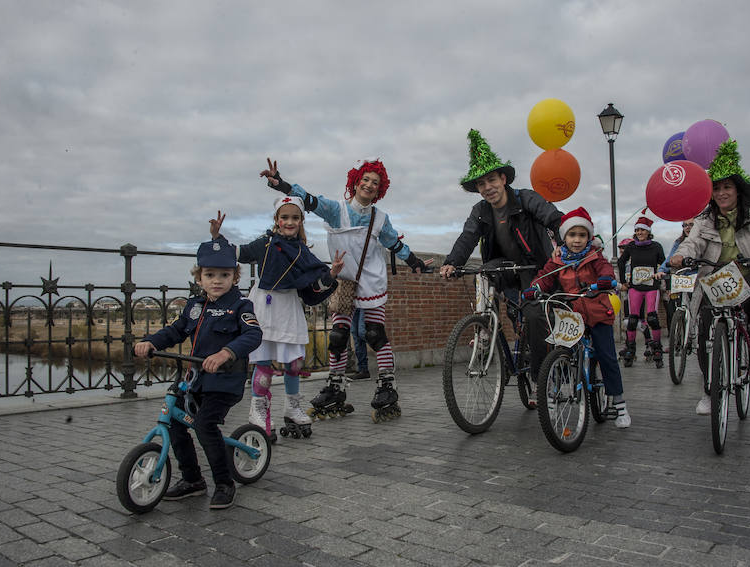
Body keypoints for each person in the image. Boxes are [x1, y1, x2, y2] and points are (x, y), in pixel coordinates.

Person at [262, 156, 432, 418]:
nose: (369, 185)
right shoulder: (336, 209)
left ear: (380, 189)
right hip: (344, 277)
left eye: (375, 182)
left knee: (375, 333)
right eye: (365, 179)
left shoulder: (380, 218)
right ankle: (335, 387)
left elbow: (393, 243)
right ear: (356, 182)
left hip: (371, 278)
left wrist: (415, 262)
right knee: (338, 336)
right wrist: (281, 184)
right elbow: (308, 200)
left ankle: (387, 386)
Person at [133, 237, 262, 510]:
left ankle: (224, 482)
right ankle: (192, 480)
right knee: (176, 422)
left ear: (234, 277)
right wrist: (152, 342)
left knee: (204, 425)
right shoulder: (194, 306)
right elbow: (176, 331)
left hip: (225, 381)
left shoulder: (240, 306)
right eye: (210, 275)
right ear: (199, 278)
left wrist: (225, 353)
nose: (217, 281)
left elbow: (253, 334)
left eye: (224, 275)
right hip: (196, 380)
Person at [439, 129, 562, 406]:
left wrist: (567, 239)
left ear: (503, 179)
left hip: (535, 268)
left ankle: (541, 380)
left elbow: (552, 216)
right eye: (481, 184)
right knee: (482, 273)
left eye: (491, 180)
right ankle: (484, 330)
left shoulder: (525, 199)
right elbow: (468, 237)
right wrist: (451, 262)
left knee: (531, 318)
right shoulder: (480, 211)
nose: (487, 187)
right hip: (503, 268)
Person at [209, 198, 344, 442]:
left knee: (293, 363)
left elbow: (315, 284)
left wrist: (332, 273)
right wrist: (218, 237)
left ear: (301, 221)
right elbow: (239, 253)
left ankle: (292, 407)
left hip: (288, 306)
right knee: (263, 363)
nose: (289, 222)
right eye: (285, 217)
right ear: (277, 220)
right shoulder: (265, 244)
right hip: (264, 304)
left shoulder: (304, 252)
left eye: (295, 218)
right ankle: (258, 410)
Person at [670, 140, 750, 415]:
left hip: (747, 271)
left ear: (738, 190)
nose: (722, 193)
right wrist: (680, 256)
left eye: (727, 187)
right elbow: (692, 243)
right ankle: (710, 392)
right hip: (714, 278)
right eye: (717, 188)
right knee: (704, 334)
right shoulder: (704, 219)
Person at [525, 207, 630, 428]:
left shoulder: (595, 257)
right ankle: (553, 396)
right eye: (572, 235)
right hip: (571, 314)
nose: (577, 240)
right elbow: (545, 276)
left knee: (606, 355)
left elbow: (605, 271)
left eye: (582, 235)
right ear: (564, 236)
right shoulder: (558, 259)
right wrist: (534, 287)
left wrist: (605, 280)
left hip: (597, 311)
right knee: (560, 352)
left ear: (589, 237)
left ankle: (619, 404)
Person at [617, 215, 666, 367]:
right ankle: (630, 349)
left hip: (651, 286)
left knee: (652, 318)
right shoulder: (632, 247)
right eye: (637, 230)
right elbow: (621, 261)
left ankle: (657, 349)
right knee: (632, 320)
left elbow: (663, 263)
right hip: (635, 287)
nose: (639, 232)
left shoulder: (656, 246)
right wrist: (624, 282)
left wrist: (662, 272)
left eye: (642, 230)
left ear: (648, 232)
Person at [659, 219, 695, 324]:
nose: (687, 227)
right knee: (677, 306)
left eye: (691, 225)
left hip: (697, 276)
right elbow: (670, 258)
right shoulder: (679, 242)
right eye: (684, 225)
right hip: (682, 278)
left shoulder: (703, 239)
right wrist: (661, 270)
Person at [348, 308, 370, 380]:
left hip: (365, 302)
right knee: (355, 334)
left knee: (362, 332)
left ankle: (384, 351)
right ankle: (363, 370)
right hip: (354, 305)